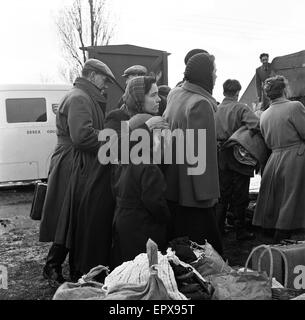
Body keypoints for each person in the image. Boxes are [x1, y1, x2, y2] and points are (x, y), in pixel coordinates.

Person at [39, 58, 115, 284]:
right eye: (104, 79)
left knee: (73, 218)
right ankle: (55, 267)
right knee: (71, 217)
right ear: (91, 75)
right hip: (72, 164)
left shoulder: (82, 96)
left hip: (75, 162)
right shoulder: (80, 98)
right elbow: (82, 137)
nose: (107, 85)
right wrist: (113, 141)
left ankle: (67, 267)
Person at [163, 52, 223, 255]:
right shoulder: (201, 104)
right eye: (214, 71)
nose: (216, 75)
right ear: (205, 74)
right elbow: (201, 155)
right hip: (193, 192)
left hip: (173, 182)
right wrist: (208, 197)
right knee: (204, 249)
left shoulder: (175, 94)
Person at [111, 76, 171, 267]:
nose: (159, 99)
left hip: (125, 220)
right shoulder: (134, 124)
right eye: (153, 95)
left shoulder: (132, 124)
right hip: (142, 224)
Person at [253, 75, 305, 242]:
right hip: (295, 156)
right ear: (284, 89)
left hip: (275, 157)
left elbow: (267, 141)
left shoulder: (265, 114)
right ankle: (287, 233)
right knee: (292, 197)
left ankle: (275, 232)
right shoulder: (294, 106)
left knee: (278, 197)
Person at [215, 79, 260, 240]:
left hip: (220, 155)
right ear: (237, 93)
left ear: (224, 91)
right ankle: (240, 232)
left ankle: (219, 230)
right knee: (240, 195)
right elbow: (256, 125)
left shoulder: (216, 108)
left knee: (222, 195)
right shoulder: (241, 108)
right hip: (237, 154)